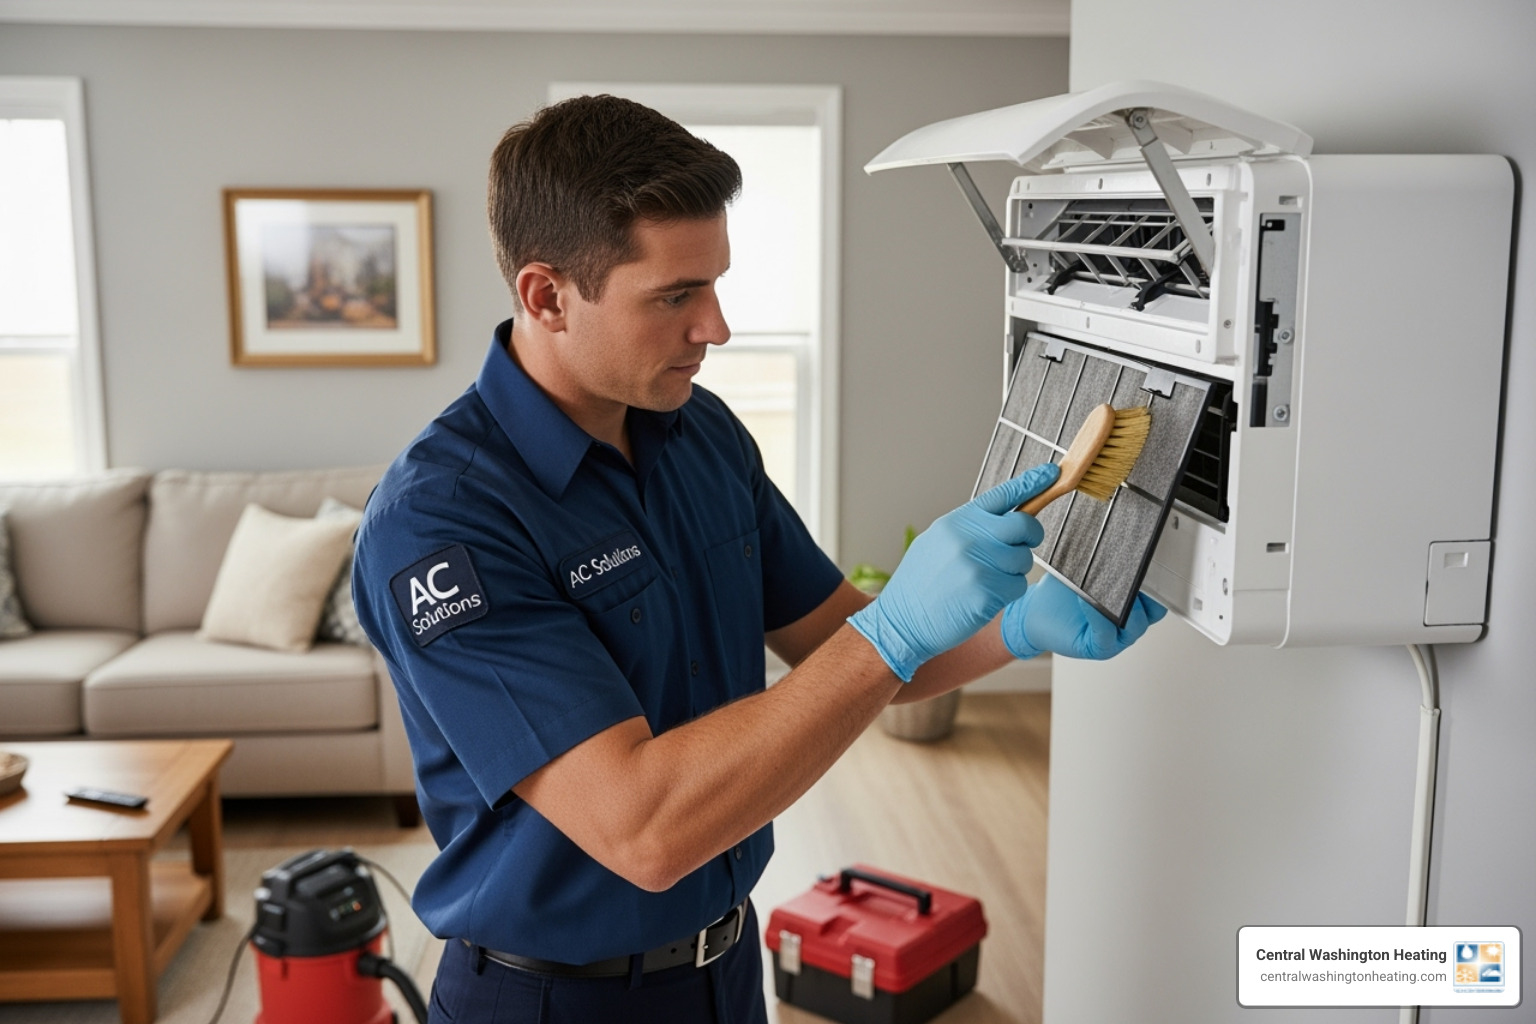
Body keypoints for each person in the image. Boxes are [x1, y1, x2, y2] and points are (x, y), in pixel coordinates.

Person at [351, 94, 1165, 1024]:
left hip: (728, 971)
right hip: (551, 1001)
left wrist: (1016, 630)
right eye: (674, 297)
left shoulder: (700, 435)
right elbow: (643, 828)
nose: (717, 328)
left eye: (715, 285)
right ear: (546, 296)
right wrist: (893, 628)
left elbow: (842, 653)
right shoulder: (444, 522)